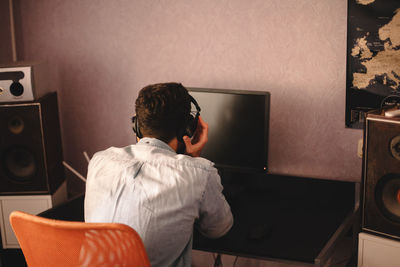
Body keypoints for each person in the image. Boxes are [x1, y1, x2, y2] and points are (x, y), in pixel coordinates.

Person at [84, 82, 233, 267]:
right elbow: (218, 229)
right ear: (187, 129)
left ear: (136, 126)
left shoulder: (99, 161)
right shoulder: (199, 174)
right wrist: (194, 160)